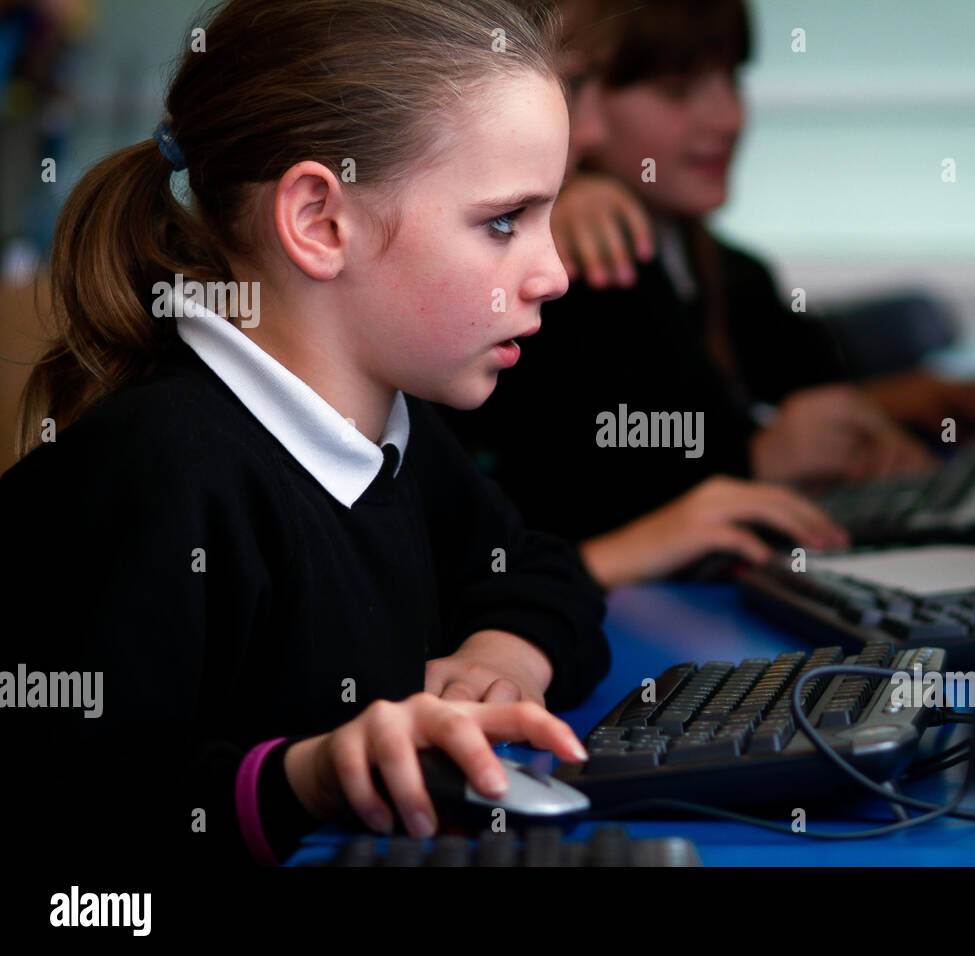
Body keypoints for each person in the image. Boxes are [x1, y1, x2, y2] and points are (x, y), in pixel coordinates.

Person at [0, 0, 609, 868]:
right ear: (320, 222)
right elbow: (82, 828)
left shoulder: (391, 435)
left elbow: (542, 570)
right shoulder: (155, 472)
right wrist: (309, 776)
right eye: (504, 221)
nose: (553, 271)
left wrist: (504, 653)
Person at [450, 0, 975, 591]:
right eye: (678, 90)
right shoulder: (576, 271)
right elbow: (562, 499)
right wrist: (756, 460)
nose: (729, 117)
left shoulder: (726, 270)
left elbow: (792, 384)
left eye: (733, 80)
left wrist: (874, 416)